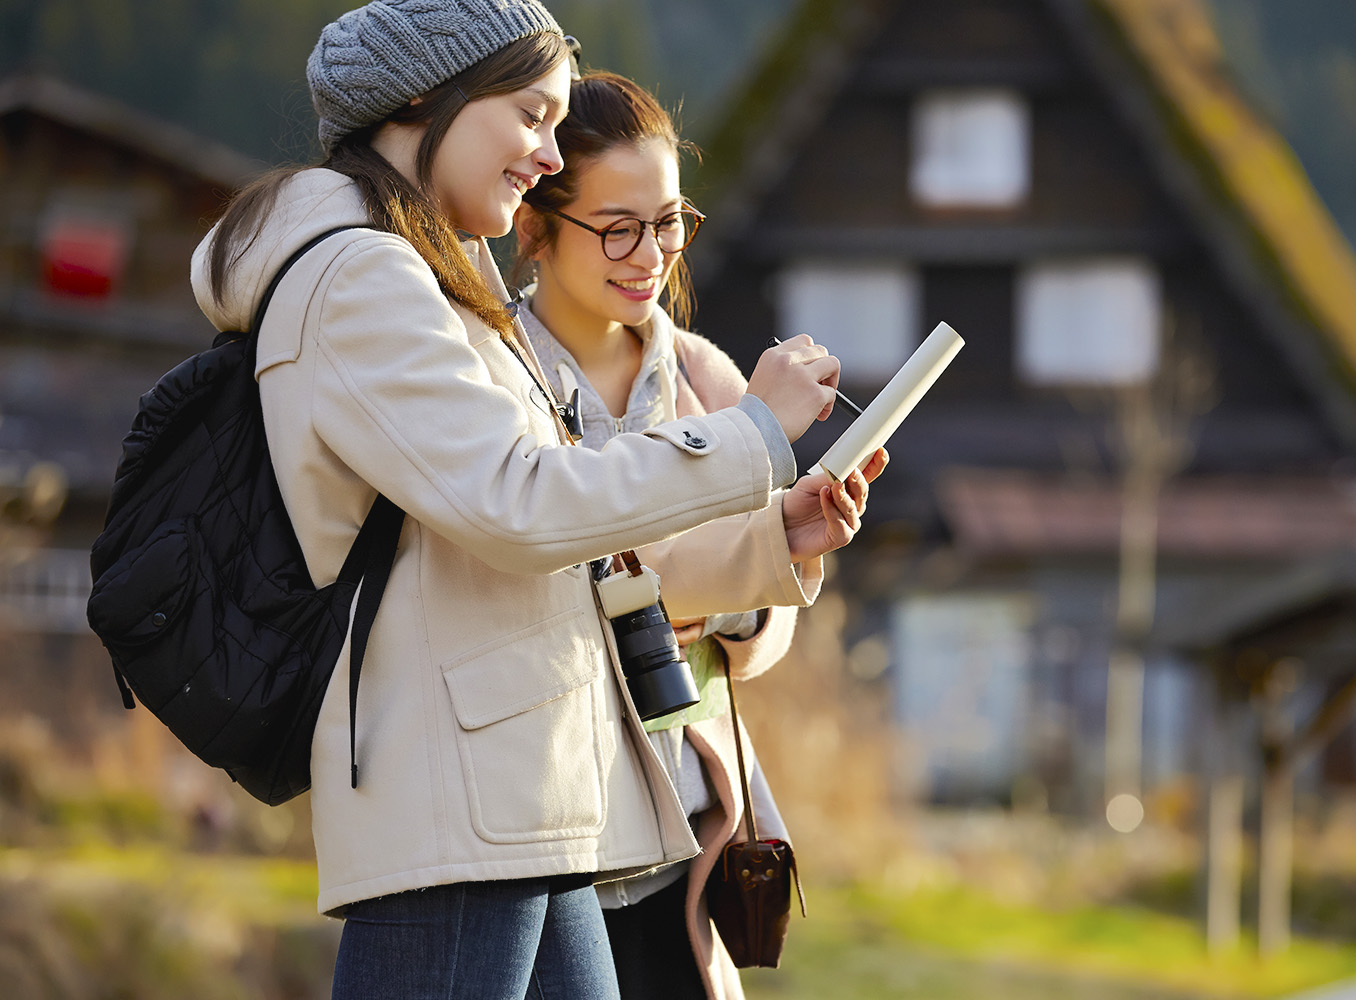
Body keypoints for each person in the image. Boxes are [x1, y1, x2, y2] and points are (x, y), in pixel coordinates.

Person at [188, 2, 871, 997]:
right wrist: (749, 434)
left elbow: (556, 531)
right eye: (531, 115)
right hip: (463, 790)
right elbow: (518, 502)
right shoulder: (362, 276)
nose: (549, 153)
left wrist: (772, 540)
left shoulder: (417, 264)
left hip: (523, 782)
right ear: (428, 103)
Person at [512, 71, 886, 1000]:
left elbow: (763, 633)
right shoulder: (495, 382)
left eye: (670, 221)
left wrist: (776, 571)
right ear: (533, 226)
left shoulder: (704, 377)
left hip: (689, 819)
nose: (651, 256)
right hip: (547, 823)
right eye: (617, 227)